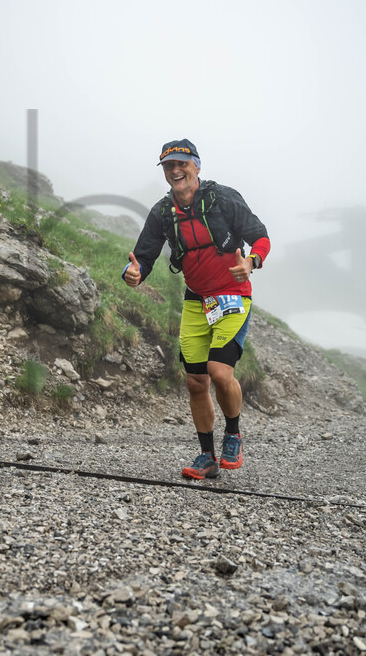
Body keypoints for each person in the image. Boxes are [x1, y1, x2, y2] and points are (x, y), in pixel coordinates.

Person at [123, 139, 270, 480]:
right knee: (195, 381)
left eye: (181, 164)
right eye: (168, 166)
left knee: (220, 373)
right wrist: (133, 273)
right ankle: (207, 456)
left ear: (197, 166)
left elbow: (260, 236)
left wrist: (251, 261)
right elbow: (142, 257)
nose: (175, 171)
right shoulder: (163, 212)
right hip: (196, 299)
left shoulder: (223, 199)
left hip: (234, 294)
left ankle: (233, 434)